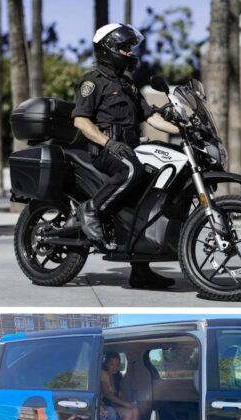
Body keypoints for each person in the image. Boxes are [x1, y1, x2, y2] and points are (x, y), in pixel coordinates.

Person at [71, 23, 180, 289]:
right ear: (108, 49)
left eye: (131, 48)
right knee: (132, 170)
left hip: (130, 150)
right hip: (105, 152)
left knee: (150, 192)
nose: (130, 53)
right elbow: (81, 122)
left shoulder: (128, 86)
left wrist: (185, 128)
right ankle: (91, 209)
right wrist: (108, 143)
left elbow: (151, 117)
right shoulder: (91, 82)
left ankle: (140, 271)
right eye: (124, 48)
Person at [101, 351, 140, 420]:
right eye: (111, 364)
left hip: (114, 404)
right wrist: (125, 404)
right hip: (105, 405)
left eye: (117, 365)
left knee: (135, 410)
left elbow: (120, 394)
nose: (115, 367)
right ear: (106, 364)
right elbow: (107, 395)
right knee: (128, 413)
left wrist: (129, 403)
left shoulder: (118, 376)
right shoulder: (103, 374)